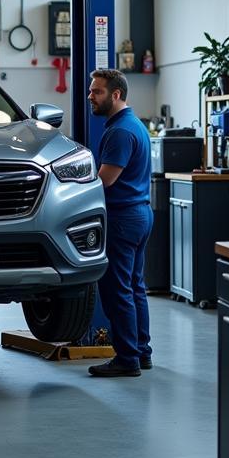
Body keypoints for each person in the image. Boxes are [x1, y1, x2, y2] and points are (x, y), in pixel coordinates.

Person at [86, 68, 153, 378]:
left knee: (117, 290)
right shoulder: (133, 125)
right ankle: (141, 352)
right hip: (139, 214)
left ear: (115, 95)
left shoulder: (120, 131)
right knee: (135, 287)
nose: (90, 96)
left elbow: (105, 181)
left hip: (123, 218)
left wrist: (71, 187)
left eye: (96, 91)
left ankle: (127, 358)